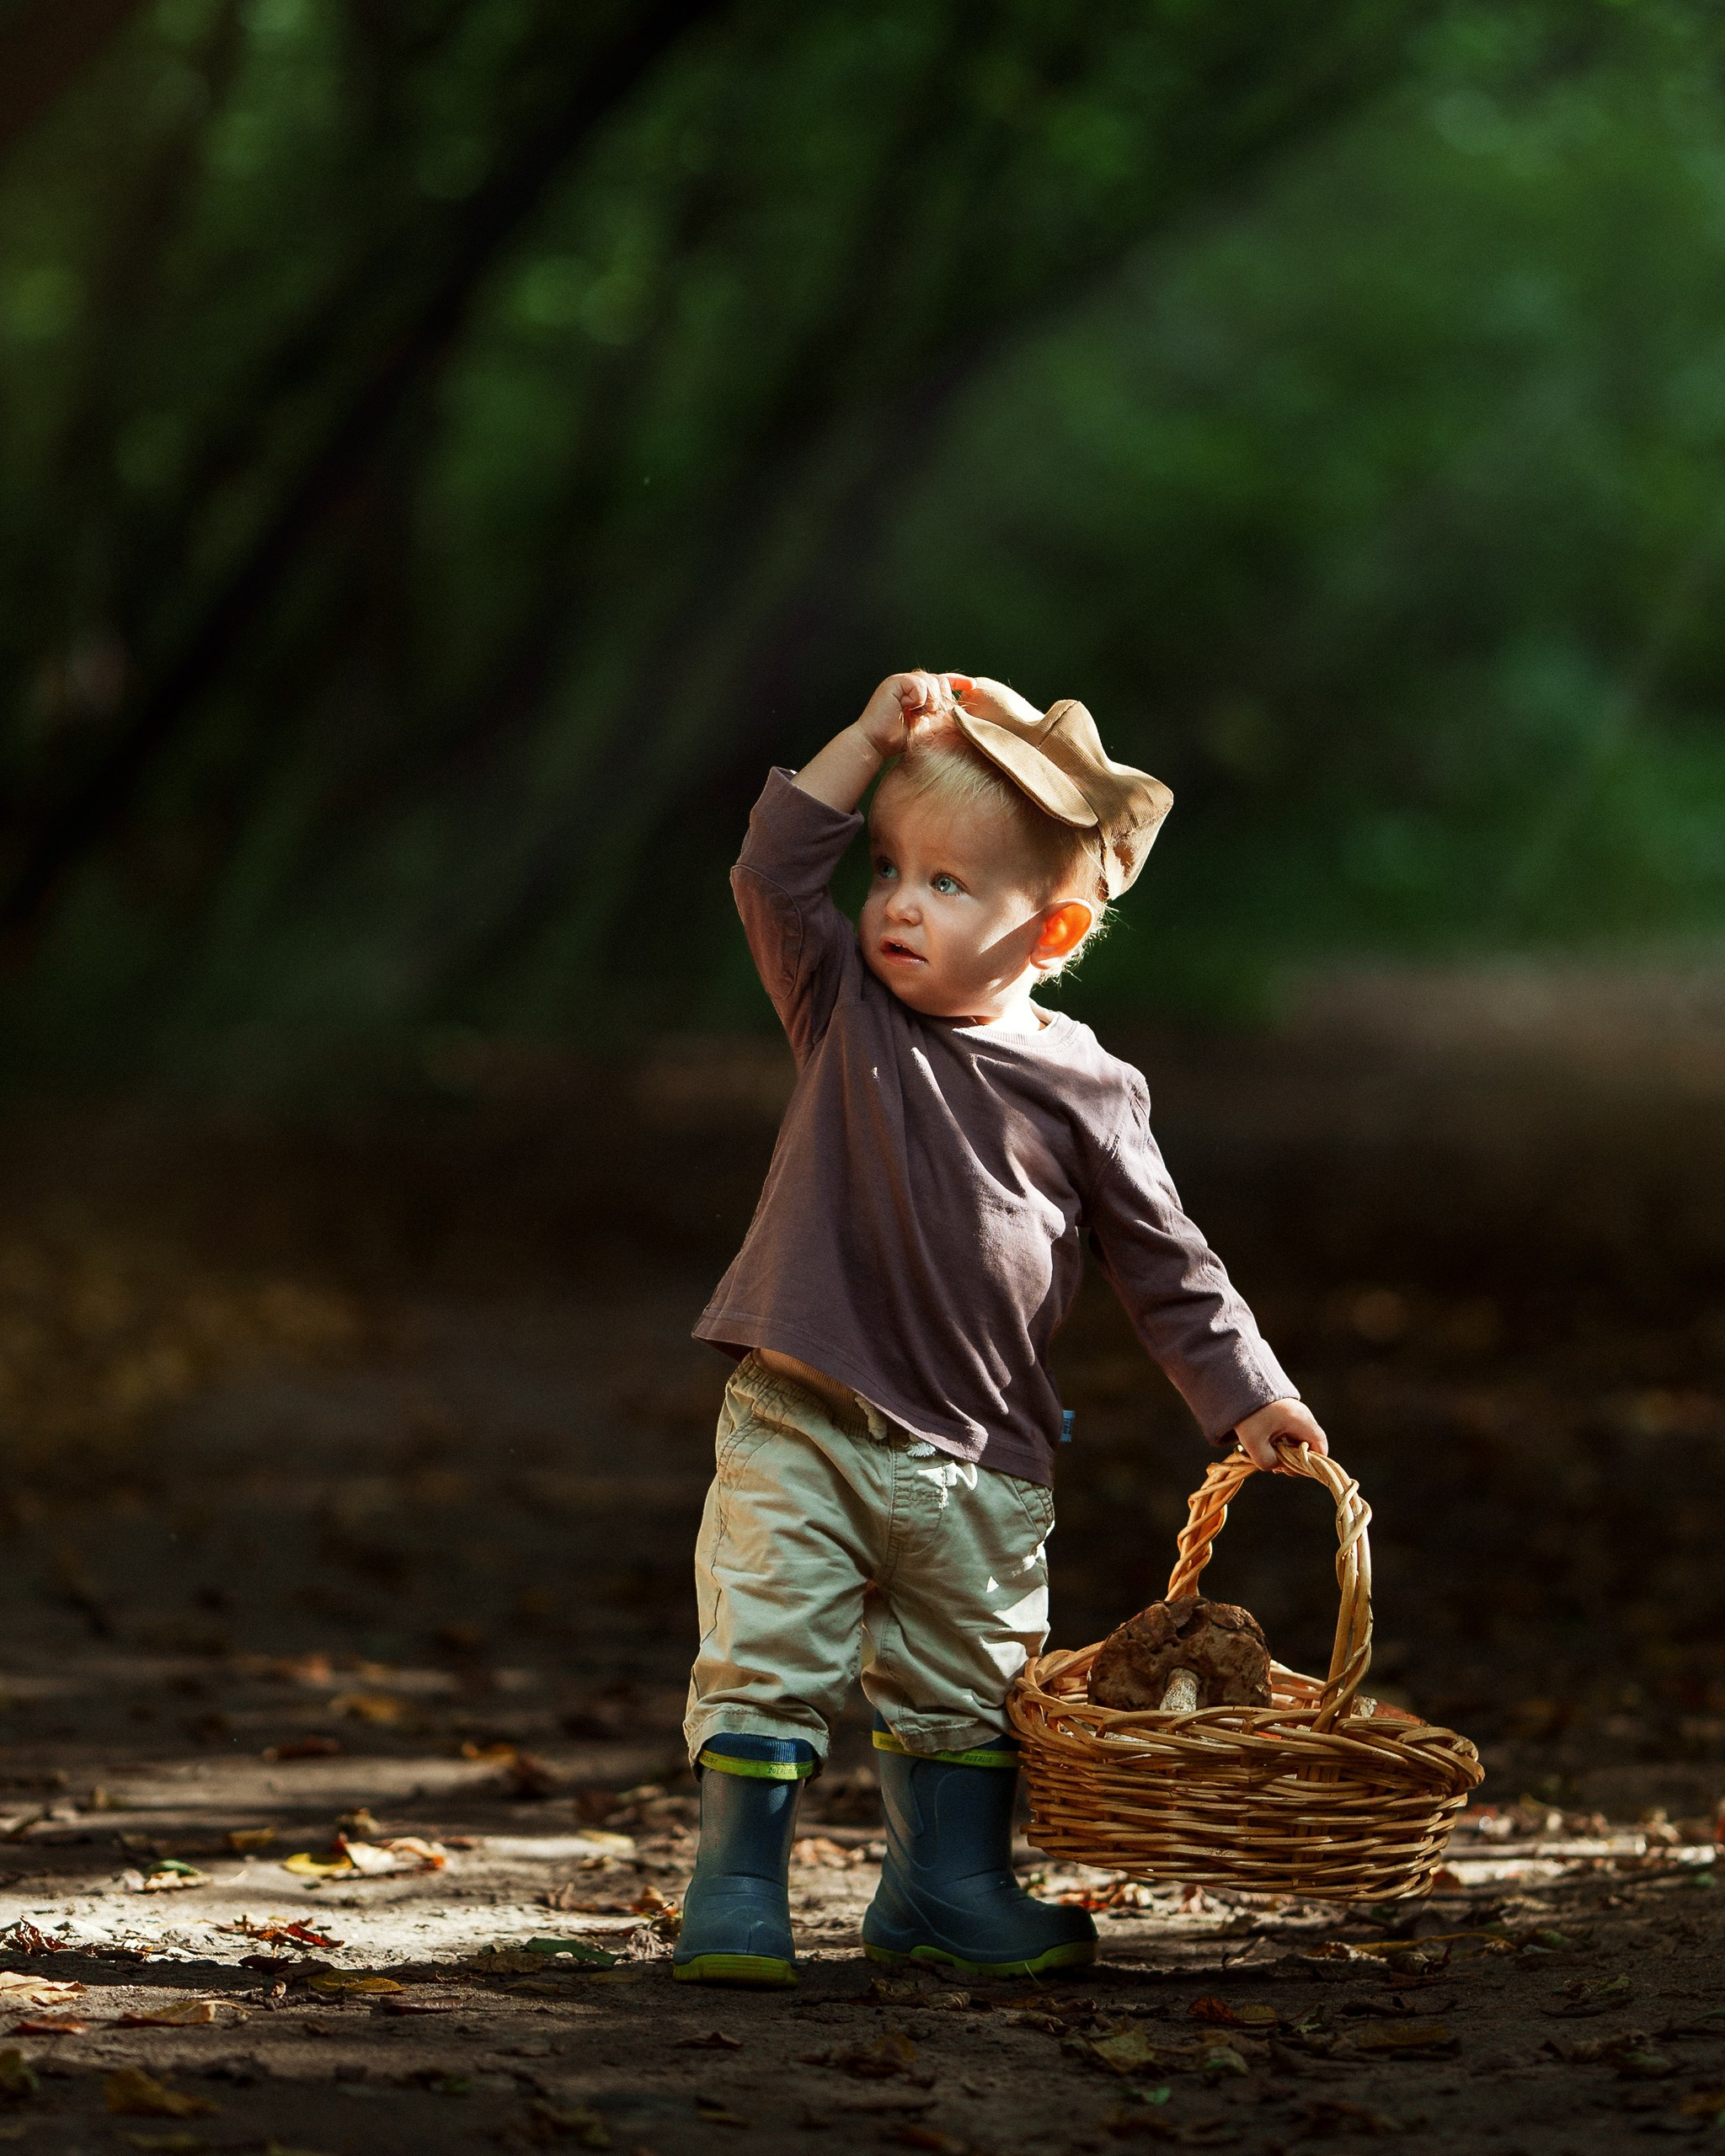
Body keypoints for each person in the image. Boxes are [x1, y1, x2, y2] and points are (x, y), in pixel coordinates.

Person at [674, 670, 1327, 1988]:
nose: (900, 904)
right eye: (893, 871)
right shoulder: (842, 1007)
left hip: (983, 1459)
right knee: (771, 1649)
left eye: (950, 885)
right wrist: (865, 742)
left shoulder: (1090, 1087)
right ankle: (737, 1886)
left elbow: (1167, 1261)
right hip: (807, 1418)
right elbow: (772, 874)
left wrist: (1247, 1391)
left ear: (1053, 930)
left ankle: (946, 1886)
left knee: (968, 1684)